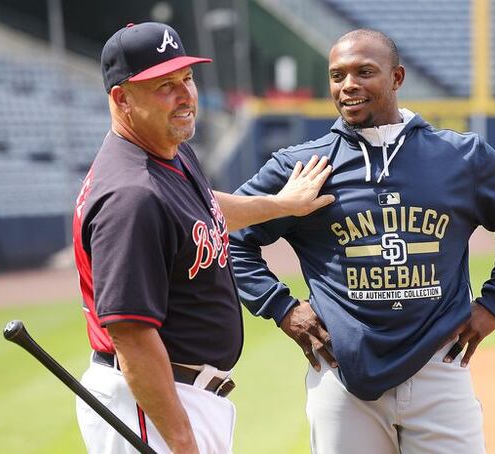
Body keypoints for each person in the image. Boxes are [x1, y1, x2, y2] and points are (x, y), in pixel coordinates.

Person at [229, 29, 495, 454]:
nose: (349, 86)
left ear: (397, 78)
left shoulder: (461, 157)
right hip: (342, 373)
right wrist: (281, 307)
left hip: (440, 366)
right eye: (337, 75)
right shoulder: (303, 166)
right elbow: (228, 235)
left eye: (365, 72)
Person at [72, 22, 333, 454]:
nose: (185, 95)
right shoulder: (130, 196)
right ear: (122, 98)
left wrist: (281, 204)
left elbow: (202, 208)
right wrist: (181, 441)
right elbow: (131, 335)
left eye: (187, 79)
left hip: (181, 396)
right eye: (164, 86)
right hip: (151, 405)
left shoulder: (165, 151)